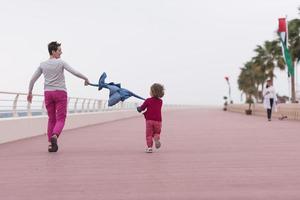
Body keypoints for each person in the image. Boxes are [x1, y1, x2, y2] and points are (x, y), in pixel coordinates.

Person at [27, 41, 90, 152]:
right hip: (60, 93)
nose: (61, 52)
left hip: (48, 94)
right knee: (61, 119)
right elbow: (74, 72)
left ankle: (51, 145)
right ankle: (55, 136)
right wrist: (85, 78)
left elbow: (32, 79)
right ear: (53, 51)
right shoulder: (61, 63)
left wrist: (30, 92)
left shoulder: (42, 64)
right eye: (59, 50)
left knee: (51, 119)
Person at [137, 83, 164, 153]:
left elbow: (142, 108)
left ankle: (149, 148)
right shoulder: (160, 101)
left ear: (152, 92)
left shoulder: (148, 100)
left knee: (149, 134)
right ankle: (156, 139)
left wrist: (138, 108)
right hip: (158, 121)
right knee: (157, 132)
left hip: (149, 120)